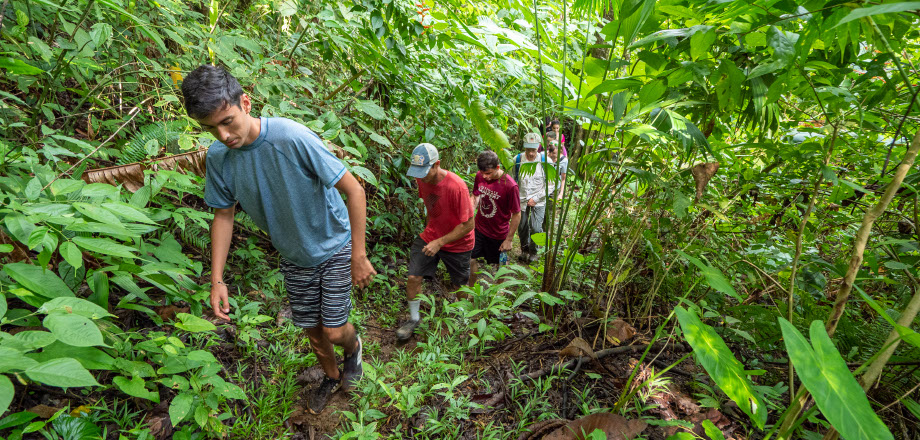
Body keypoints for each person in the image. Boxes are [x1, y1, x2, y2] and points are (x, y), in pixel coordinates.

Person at [182, 65, 376, 414]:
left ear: (246, 102)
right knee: (312, 331)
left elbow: (354, 190)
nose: (223, 135)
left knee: (333, 330)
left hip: (333, 245)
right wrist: (217, 280)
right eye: (210, 128)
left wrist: (358, 255)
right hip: (292, 253)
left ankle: (353, 347)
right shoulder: (219, 157)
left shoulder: (290, 137)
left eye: (227, 121)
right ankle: (331, 377)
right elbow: (223, 215)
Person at [397, 143, 475, 341]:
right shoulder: (421, 179)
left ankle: (463, 316)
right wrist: (432, 235)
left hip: (459, 242)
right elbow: (431, 208)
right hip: (431, 236)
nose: (420, 177)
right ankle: (414, 319)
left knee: (460, 284)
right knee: (414, 276)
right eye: (417, 172)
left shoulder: (457, 186)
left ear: (436, 164)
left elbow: (468, 225)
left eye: (424, 171)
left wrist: (440, 242)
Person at [469, 151, 521, 286]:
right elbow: (475, 196)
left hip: (499, 233)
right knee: (470, 258)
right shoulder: (479, 176)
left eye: (489, 173)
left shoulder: (510, 185)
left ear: (497, 168)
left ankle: (498, 289)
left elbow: (517, 213)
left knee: (502, 262)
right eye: (483, 173)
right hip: (479, 228)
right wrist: (468, 213)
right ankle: (470, 288)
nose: (485, 177)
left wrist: (509, 239)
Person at [513, 132, 554, 263]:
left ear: (539, 148)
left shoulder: (545, 161)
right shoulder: (518, 160)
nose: (531, 153)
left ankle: (534, 251)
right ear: (524, 148)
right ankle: (524, 250)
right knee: (522, 226)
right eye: (528, 150)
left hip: (539, 200)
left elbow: (552, 183)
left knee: (536, 227)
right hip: (521, 198)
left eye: (534, 150)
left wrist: (536, 198)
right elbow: (513, 181)